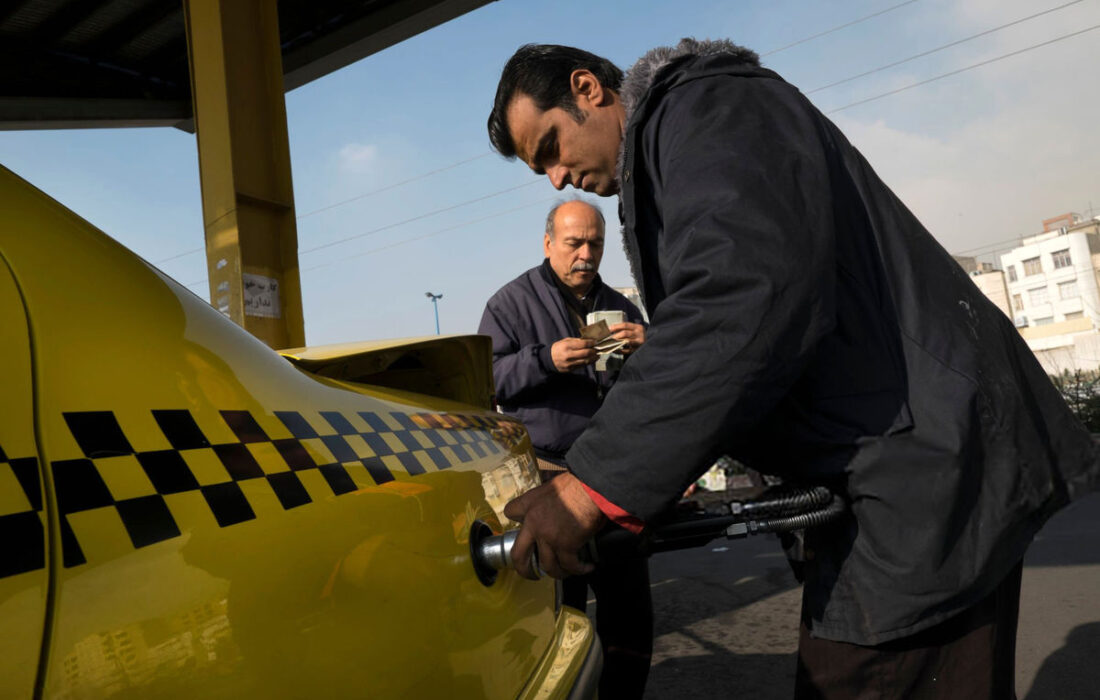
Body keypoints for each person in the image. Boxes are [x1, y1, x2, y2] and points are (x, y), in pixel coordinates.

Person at [486, 39, 1100, 698]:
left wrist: (589, 486)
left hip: (922, 462)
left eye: (550, 146)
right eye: (538, 170)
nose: (555, 175)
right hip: (904, 459)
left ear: (587, 89)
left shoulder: (704, 107)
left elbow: (739, 296)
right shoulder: (676, 146)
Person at [478, 198, 652, 699]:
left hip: (614, 484)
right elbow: (487, 380)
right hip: (549, 485)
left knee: (630, 624)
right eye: (574, 242)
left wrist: (649, 343)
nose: (586, 254)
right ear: (548, 242)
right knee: (559, 624)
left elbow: (656, 385)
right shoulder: (510, 304)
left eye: (595, 243)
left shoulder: (621, 307)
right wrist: (544, 359)